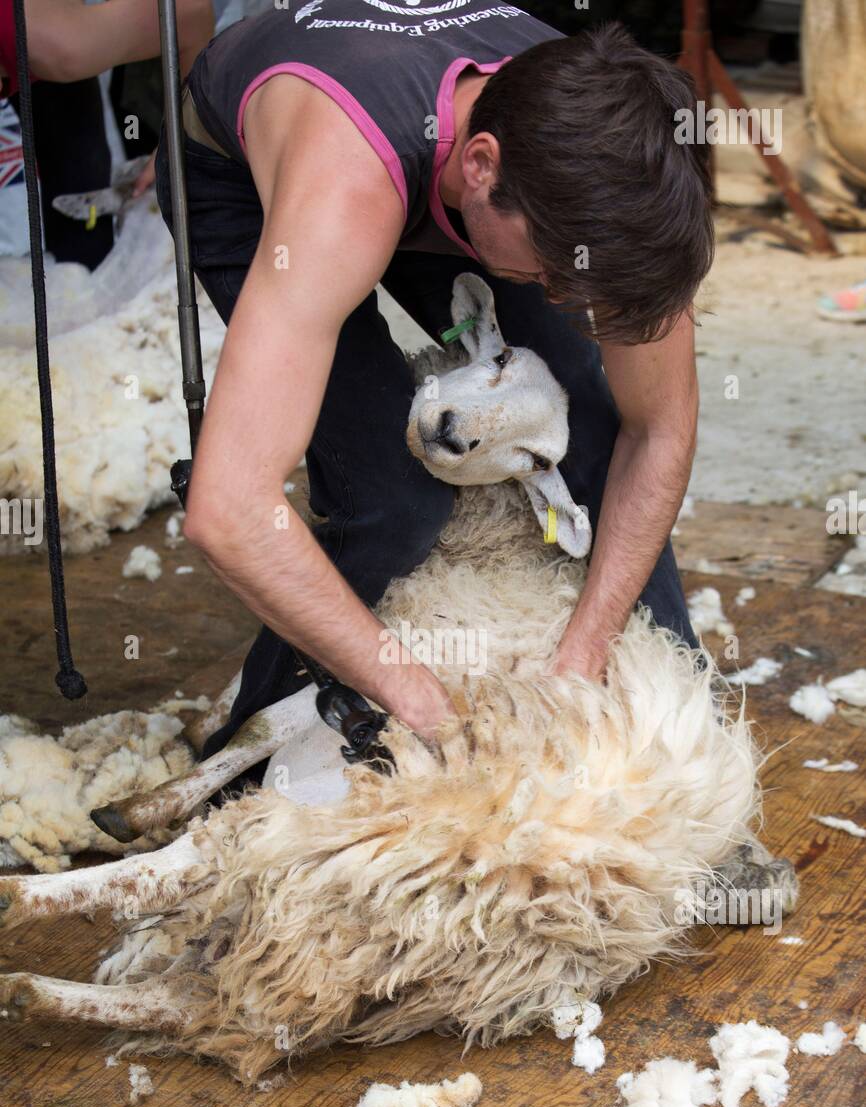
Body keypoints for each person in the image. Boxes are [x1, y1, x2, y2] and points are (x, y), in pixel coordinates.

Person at [155, 8, 713, 759]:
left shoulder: (622, 178)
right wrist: (427, 706)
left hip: (465, 183)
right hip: (268, 174)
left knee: (588, 417)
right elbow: (229, 513)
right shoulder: (341, 189)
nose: (555, 293)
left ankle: (679, 735)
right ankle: (250, 763)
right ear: (481, 165)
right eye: (550, 273)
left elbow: (659, 428)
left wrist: (584, 654)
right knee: (389, 497)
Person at [0, 0, 212, 264]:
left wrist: (181, 137)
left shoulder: (56, 45)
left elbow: (190, 13)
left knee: (83, 216)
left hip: (46, 42)